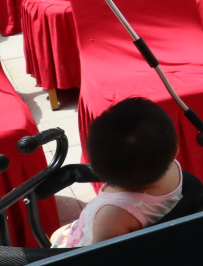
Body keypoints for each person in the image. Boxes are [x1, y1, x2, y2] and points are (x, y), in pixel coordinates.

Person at [51, 98, 182, 247]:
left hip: (76, 251)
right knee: (59, 232)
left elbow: (98, 258)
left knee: (56, 235)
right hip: (93, 227)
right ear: (174, 153)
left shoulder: (114, 215)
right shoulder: (172, 167)